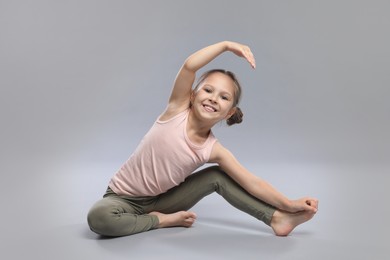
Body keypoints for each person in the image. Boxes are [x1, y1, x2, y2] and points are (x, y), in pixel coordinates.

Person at [87, 41, 318, 237]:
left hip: (163, 200)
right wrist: (226, 46)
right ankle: (161, 221)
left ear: (229, 112)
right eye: (208, 90)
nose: (213, 98)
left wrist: (288, 204)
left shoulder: (212, 149)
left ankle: (276, 219)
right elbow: (189, 66)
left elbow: (252, 182)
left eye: (224, 97)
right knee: (98, 217)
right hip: (122, 198)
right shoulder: (176, 110)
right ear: (193, 94)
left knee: (217, 175)